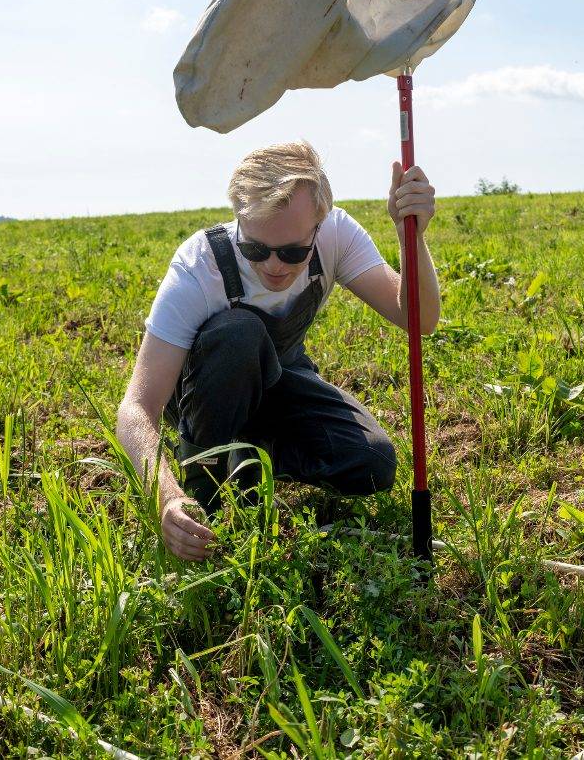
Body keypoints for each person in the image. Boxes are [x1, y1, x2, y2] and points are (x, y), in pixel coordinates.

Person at [116, 141, 439, 561]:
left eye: (293, 252)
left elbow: (419, 318)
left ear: (319, 227)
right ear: (238, 220)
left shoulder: (336, 236)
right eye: (255, 249)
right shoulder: (199, 267)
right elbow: (136, 409)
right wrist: (166, 496)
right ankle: (204, 484)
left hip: (280, 378)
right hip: (204, 393)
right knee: (239, 334)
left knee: (371, 463)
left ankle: (251, 458)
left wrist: (409, 235)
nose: (273, 266)